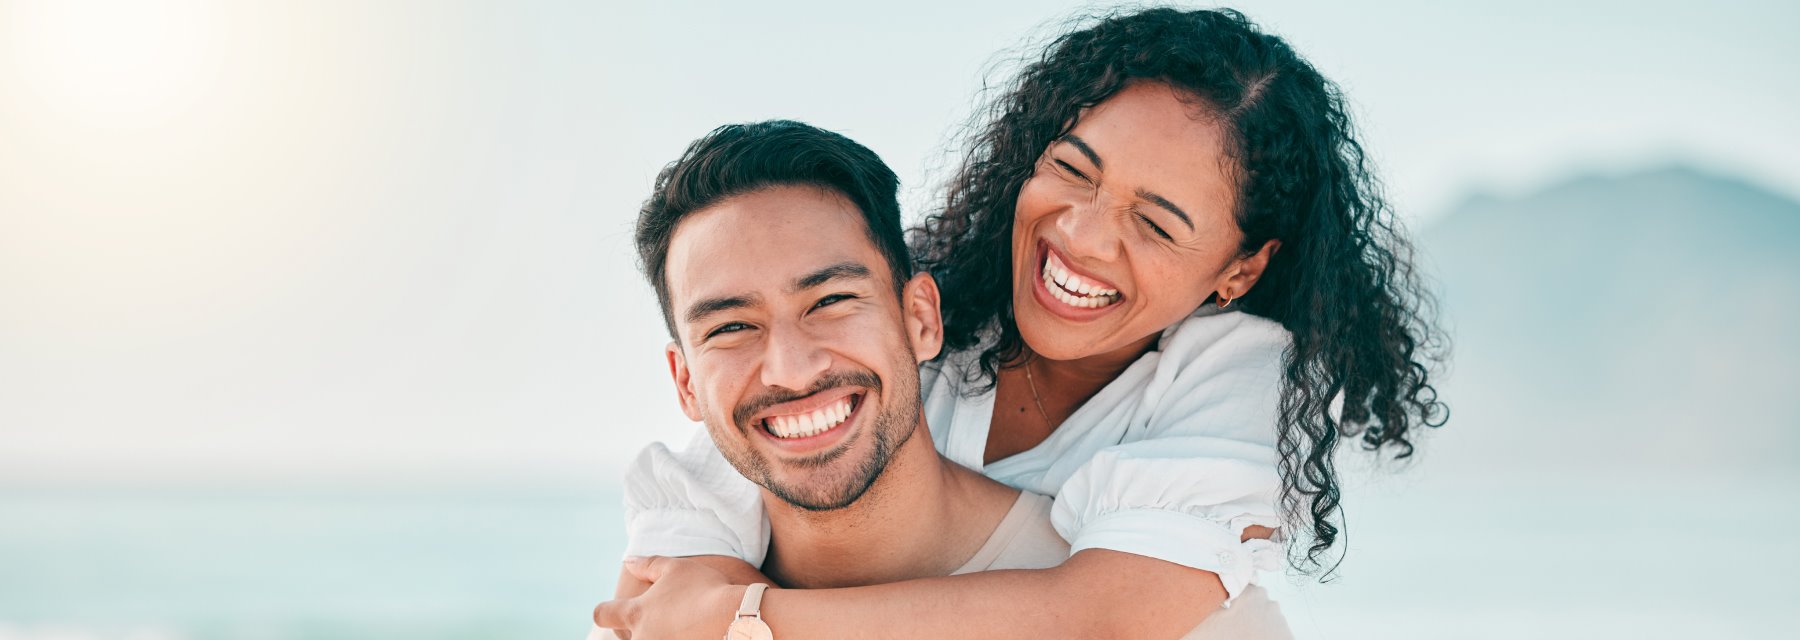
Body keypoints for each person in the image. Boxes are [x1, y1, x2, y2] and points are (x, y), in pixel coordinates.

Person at [597, 7, 1446, 639]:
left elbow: (1105, 614)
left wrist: (753, 619)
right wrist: (698, 596)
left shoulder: (1229, 373)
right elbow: (712, 504)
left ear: (1241, 268)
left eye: (1155, 224)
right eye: (1072, 171)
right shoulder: (915, 326)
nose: (1079, 236)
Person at [594, 118, 1289, 639]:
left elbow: (1101, 611)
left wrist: (747, 619)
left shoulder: (1181, 611)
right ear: (685, 384)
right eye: (731, 327)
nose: (791, 368)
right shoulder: (676, 587)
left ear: (921, 317)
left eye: (831, 301)